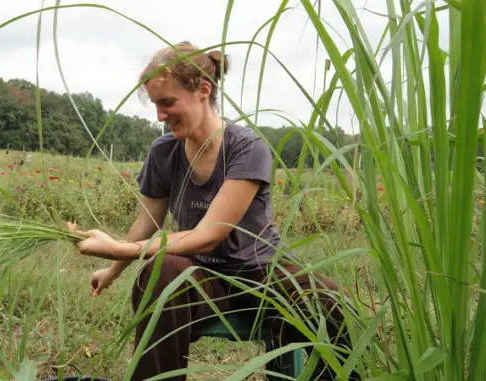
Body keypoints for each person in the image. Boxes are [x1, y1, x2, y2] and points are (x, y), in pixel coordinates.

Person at [68, 41, 358, 381]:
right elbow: (146, 222)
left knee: (322, 297)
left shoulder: (246, 147)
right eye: (156, 106)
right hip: (203, 278)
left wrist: (117, 247)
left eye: (168, 102)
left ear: (203, 90)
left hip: (259, 275)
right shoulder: (164, 152)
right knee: (161, 272)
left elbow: (209, 234)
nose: (160, 116)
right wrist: (113, 270)